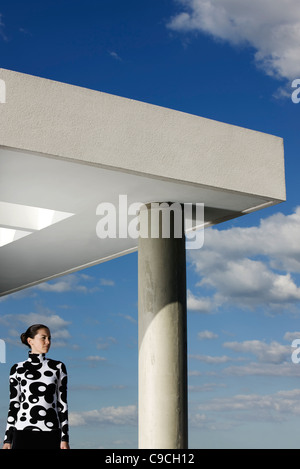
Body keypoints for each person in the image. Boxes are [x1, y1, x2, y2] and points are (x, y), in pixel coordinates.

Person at [2, 324, 70, 449]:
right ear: (30, 341)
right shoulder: (17, 369)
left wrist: (64, 438)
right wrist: (7, 439)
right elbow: (14, 405)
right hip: (22, 432)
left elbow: (62, 405)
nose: (48, 342)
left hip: (51, 432)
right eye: (43, 338)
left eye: (49, 338)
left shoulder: (58, 367)